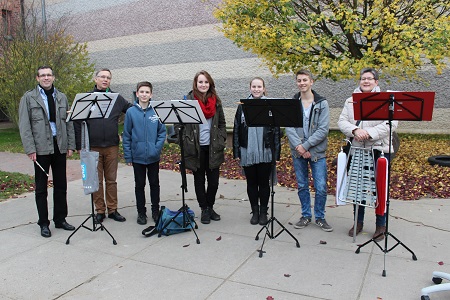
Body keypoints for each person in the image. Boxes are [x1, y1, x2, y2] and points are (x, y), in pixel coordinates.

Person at [338, 67, 398, 242]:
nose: (366, 81)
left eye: (369, 79)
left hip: (379, 150)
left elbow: (391, 124)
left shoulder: (387, 101)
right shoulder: (350, 101)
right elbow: (342, 121)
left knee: (380, 188)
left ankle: (381, 225)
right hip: (357, 149)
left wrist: (369, 133)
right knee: (357, 187)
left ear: (376, 82)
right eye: (363, 78)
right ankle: (358, 221)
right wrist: (355, 129)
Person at [18, 66, 76, 238]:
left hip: (59, 146)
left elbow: (69, 123)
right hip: (41, 148)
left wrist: (70, 145)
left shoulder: (62, 97)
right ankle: (44, 223)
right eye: (42, 75)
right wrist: (30, 149)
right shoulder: (29, 98)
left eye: (49, 75)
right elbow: (24, 126)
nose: (46, 78)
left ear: (53, 77)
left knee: (61, 185)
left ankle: (60, 219)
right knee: (41, 188)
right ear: (37, 78)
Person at [74, 68, 132, 223]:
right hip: (93, 146)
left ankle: (113, 209)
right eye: (102, 77)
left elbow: (131, 110)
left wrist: (144, 103)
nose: (105, 80)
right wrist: (79, 145)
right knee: (97, 181)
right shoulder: (86, 98)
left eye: (108, 77)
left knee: (111, 180)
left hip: (112, 146)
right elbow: (78, 122)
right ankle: (100, 210)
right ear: (95, 79)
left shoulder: (116, 98)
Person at [176, 70, 227, 224]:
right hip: (195, 148)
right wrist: (185, 142)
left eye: (206, 82)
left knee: (213, 181)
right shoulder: (188, 101)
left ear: (209, 83)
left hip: (213, 147)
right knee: (199, 180)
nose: (203, 85)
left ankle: (210, 207)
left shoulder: (216, 101)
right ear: (195, 83)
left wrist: (222, 138)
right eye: (200, 82)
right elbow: (179, 124)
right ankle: (204, 208)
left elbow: (222, 123)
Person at [285, 69, 333, 232]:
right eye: (299, 80)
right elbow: (289, 127)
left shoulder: (322, 103)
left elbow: (323, 129)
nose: (302, 83)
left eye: (305, 80)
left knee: (320, 186)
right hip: (297, 151)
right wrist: (299, 147)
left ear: (311, 82)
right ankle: (306, 215)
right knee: (302, 185)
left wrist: (306, 146)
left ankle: (319, 216)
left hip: (316, 152)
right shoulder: (292, 103)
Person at [232, 77, 281, 225]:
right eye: (254, 86)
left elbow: (276, 130)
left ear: (264, 88)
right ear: (250, 88)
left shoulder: (270, 105)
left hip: (265, 149)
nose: (256, 89)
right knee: (251, 183)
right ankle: (255, 211)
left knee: (264, 183)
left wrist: (276, 153)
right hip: (248, 150)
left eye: (259, 86)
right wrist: (236, 151)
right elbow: (236, 129)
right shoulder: (242, 106)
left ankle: (264, 212)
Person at [122, 81, 166, 225]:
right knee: (139, 185)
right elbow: (127, 135)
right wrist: (128, 155)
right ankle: (141, 213)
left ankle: (155, 211)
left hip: (153, 156)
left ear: (151, 94)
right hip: (138, 157)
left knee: (154, 184)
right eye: (141, 92)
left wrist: (156, 148)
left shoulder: (157, 111)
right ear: (137, 93)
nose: (144, 94)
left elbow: (162, 132)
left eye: (147, 92)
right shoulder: (130, 112)